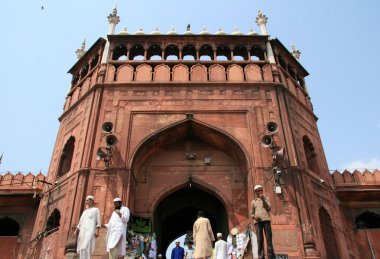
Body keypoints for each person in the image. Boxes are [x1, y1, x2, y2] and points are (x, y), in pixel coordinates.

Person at [251, 185, 275, 259]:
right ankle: (261, 257)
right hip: (258, 222)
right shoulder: (253, 202)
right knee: (260, 239)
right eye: (258, 190)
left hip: (266, 220)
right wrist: (254, 216)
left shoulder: (266, 199)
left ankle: (271, 256)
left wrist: (263, 199)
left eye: (261, 190)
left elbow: (268, 207)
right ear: (256, 192)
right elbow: (251, 213)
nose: (260, 191)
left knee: (269, 239)